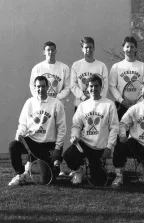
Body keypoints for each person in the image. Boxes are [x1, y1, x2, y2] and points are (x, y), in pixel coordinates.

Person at [8, 76, 66, 186]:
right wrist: (20, 132)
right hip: (32, 142)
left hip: (48, 145)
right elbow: (23, 123)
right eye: (38, 86)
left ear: (48, 87)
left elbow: (62, 128)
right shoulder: (29, 103)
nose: (40, 89)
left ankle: (55, 165)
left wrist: (57, 149)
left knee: (47, 180)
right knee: (13, 146)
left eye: (43, 86)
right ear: (35, 87)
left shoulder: (56, 104)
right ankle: (20, 174)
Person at [63, 74, 119, 185]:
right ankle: (79, 171)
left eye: (96, 86)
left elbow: (114, 127)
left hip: (100, 147)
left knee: (98, 182)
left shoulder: (109, 104)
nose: (93, 89)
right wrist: (74, 135)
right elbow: (76, 125)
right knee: (68, 155)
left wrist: (109, 147)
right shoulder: (82, 106)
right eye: (91, 86)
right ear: (87, 88)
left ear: (101, 87)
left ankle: (97, 166)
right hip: (85, 144)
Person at [29, 41, 70, 176]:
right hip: (42, 107)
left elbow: (67, 87)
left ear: (56, 51)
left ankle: (56, 160)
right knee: (41, 131)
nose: (50, 52)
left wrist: (55, 99)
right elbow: (33, 87)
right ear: (44, 52)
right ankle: (32, 162)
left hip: (57, 106)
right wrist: (43, 100)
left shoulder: (63, 68)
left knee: (58, 131)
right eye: (48, 50)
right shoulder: (38, 68)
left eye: (53, 50)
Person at [109, 36, 144, 120]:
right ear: (123, 48)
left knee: (138, 132)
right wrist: (121, 100)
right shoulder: (116, 67)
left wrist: (139, 102)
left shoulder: (143, 66)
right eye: (127, 46)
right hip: (121, 106)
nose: (129, 49)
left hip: (139, 106)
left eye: (132, 47)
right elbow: (112, 86)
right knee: (122, 132)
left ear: (136, 49)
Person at [70, 37, 109, 111]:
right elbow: (73, 85)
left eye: (90, 47)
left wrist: (98, 99)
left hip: (98, 105)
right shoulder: (76, 65)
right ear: (82, 49)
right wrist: (83, 97)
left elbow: (105, 86)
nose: (88, 49)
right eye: (86, 47)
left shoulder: (101, 66)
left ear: (94, 48)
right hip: (80, 104)